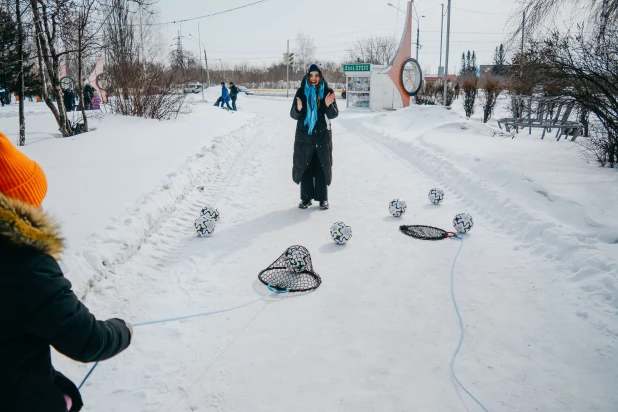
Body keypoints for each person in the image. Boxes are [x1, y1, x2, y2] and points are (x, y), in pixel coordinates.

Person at [0, 132, 133, 412]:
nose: (39, 207)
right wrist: (124, 330)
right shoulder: (24, 264)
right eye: (32, 201)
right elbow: (87, 340)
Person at [290, 64, 339, 210]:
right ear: (307, 76)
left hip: (322, 135)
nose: (313, 78)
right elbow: (293, 114)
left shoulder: (328, 92)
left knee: (321, 166)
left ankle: (323, 199)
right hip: (305, 136)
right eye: (311, 75)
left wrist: (327, 106)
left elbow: (334, 114)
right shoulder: (301, 92)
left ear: (320, 76)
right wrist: (298, 108)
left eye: (316, 75)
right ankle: (306, 198)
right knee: (306, 167)